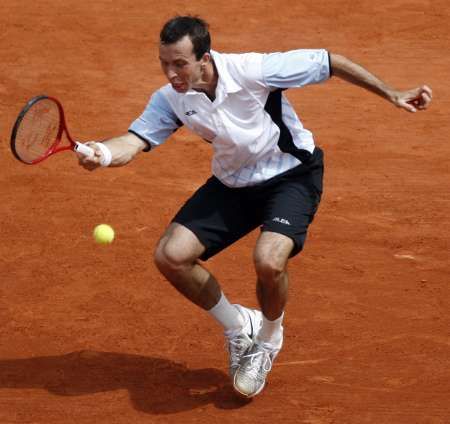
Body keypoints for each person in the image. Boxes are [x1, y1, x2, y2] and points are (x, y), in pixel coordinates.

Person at [78, 15, 432, 398]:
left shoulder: (253, 71)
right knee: (171, 256)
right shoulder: (171, 98)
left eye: (179, 63)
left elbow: (330, 62)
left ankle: (268, 339)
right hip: (234, 184)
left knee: (269, 260)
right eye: (164, 62)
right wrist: (101, 152)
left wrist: (392, 93)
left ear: (205, 58)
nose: (171, 73)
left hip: (292, 175)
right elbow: (133, 141)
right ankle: (237, 326)